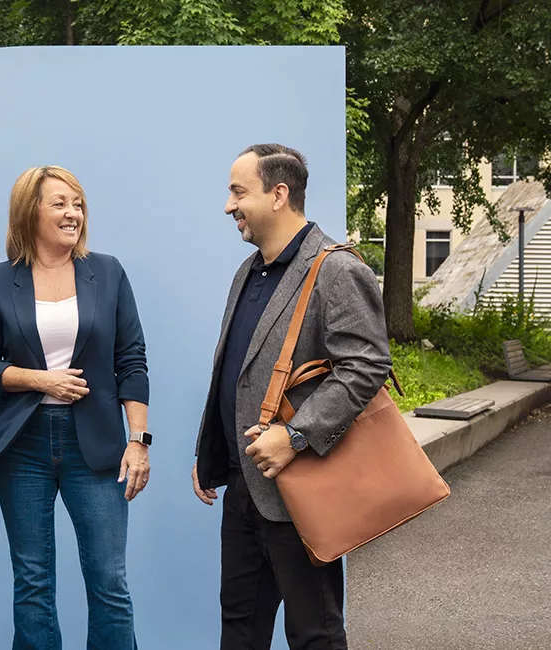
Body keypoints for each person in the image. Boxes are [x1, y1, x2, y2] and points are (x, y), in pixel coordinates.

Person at [191, 144, 392, 650]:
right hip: (244, 487)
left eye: (238, 192)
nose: (228, 205)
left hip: (301, 487)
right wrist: (213, 448)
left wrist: (296, 435)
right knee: (239, 629)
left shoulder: (336, 270)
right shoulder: (248, 271)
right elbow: (235, 371)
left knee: (314, 634)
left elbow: (366, 365)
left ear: (279, 194)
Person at [0, 165, 151, 649]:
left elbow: (132, 361)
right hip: (21, 445)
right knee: (32, 582)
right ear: (30, 211)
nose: (74, 213)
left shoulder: (107, 272)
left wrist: (139, 440)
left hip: (96, 444)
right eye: (60, 203)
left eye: (79, 204)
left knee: (109, 581)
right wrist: (36, 379)